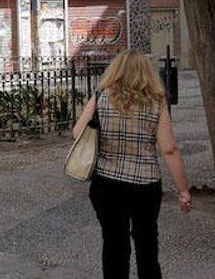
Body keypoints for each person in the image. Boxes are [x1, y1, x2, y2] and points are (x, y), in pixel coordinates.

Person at [73, 50, 191, 279]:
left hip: (106, 183)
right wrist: (183, 190)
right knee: (147, 245)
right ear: (147, 73)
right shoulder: (156, 102)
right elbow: (169, 149)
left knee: (114, 245)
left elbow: (78, 132)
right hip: (145, 186)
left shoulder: (101, 97)